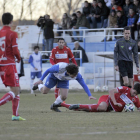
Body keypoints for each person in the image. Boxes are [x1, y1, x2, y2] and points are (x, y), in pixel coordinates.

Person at [0, 12, 25, 121]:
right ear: (11, 21)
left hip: (1, 65)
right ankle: (15, 115)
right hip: (9, 64)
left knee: (16, 89)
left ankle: (15, 115)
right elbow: (15, 50)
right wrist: (19, 58)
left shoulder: (0, 32)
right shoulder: (13, 34)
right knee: (15, 91)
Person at [57, 83, 140, 112]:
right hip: (107, 99)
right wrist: (115, 102)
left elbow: (139, 107)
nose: (133, 95)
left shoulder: (135, 99)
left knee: (86, 110)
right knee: (103, 107)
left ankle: (64, 105)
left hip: (110, 109)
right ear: (132, 88)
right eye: (134, 92)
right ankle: (78, 105)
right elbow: (111, 91)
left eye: (136, 94)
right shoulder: (125, 89)